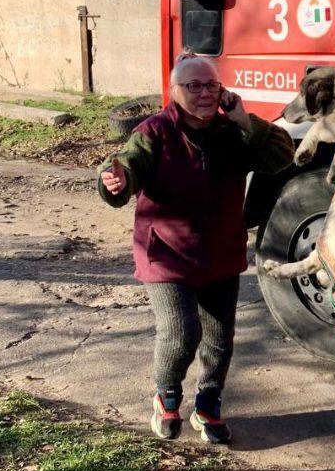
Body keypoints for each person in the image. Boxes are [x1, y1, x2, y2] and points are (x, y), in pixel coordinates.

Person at [98, 54, 293, 443]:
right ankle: (167, 397)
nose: (204, 93)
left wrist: (244, 121)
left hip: (220, 249)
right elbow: (127, 166)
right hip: (166, 252)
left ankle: (208, 406)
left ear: (223, 91)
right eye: (193, 86)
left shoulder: (232, 131)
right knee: (180, 333)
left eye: (211, 85)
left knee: (220, 337)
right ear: (174, 92)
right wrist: (115, 181)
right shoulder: (153, 131)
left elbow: (282, 155)